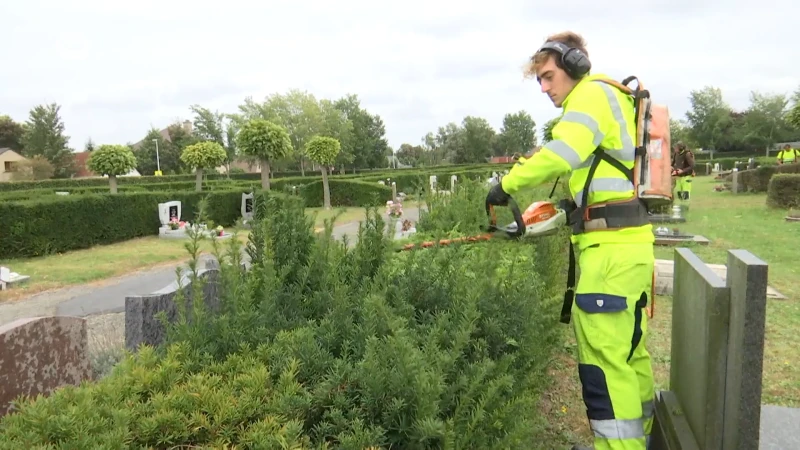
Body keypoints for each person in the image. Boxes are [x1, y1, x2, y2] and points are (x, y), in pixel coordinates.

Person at [485, 31, 655, 450]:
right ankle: (645, 439)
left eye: (547, 76)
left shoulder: (591, 96)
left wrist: (506, 183)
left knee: (602, 364)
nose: (544, 87)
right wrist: (561, 210)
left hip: (609, 256)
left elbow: (562, 153)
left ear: (575, 65)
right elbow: (600, 184)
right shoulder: (613, 99)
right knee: (630, 354)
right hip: (628, 245)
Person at [671, 141, 695, 210]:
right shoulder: (676, 154)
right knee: (679, 193)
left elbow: (692, 165)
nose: (675, 149)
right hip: (678, 177)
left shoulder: (687, 154)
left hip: (686, 177)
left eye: (676, 147)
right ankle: (682, 207)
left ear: (680, 148)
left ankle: (686, 208)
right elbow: (673, 163)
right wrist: (671, 167)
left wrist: (683, 171)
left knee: (685, 193)